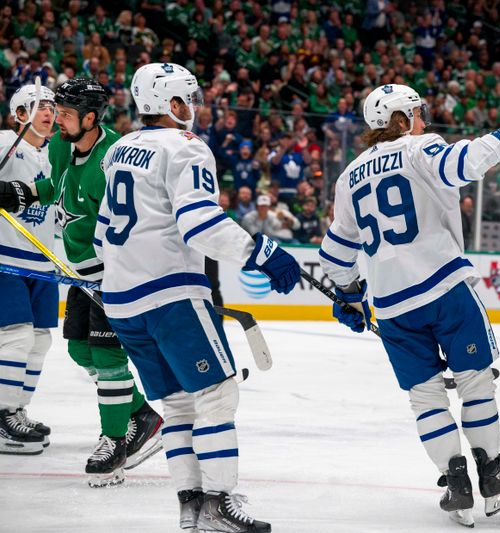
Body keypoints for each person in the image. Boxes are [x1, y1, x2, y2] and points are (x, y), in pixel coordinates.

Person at [319, 83, 500, 527]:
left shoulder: (348, 176)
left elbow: (335, 253)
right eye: (419, 112)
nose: (425, 119)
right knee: (475, 381)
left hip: (391, 306)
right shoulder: (419, 147)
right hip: (444, 287)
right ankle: (491, 470)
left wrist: (349, 294)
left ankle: (455, 480)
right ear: (404, 118)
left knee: (425, 396)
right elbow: (465, 163)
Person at [96, 63, 301, 532]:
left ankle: (191, 508)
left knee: (178, 406)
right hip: (171, 294)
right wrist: (262, 252)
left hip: (123, 302)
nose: (195, 107)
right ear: (171, 104)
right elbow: (201, 223)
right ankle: (219, 503)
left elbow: (103, 235)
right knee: (217, 393)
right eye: (189, 98)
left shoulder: (120, 150)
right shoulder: (186, 148)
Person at [0, 78, 163, 486]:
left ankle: (114, 443)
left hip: (114, 276)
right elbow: (53, 187)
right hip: (79, 275)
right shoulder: (59, 145)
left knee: (107, 359)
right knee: (78, 351)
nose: (57, 120)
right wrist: (12, 193)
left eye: (67, 114)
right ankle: (141, 414)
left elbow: (136, 222)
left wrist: (129, 276)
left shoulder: (115, 158)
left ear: (90, 118)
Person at [0, 84, 57, 455]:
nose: (49, 112)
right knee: (17, 336)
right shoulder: (6, 141)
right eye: (38, 107)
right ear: (20, 114)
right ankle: (2, 415)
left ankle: (18, 409)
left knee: (39, 340)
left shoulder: (57, 154)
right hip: (6, 258)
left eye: (52, 106)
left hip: (43, 262)